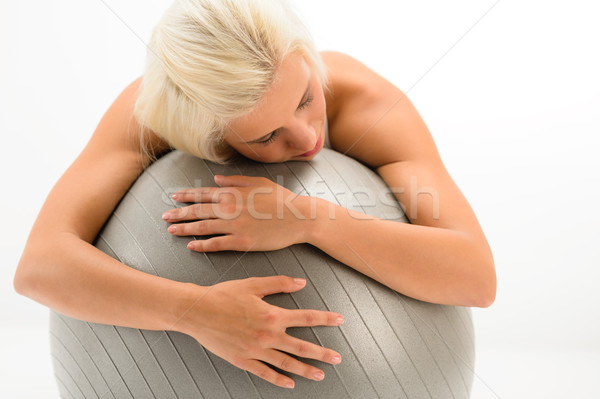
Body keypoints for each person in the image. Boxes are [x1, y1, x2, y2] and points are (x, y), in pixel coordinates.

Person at [14, 0, 496, 390]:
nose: (307, 138)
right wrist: (196, 312)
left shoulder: (369, 104)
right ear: (212, 135)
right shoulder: (155, 115)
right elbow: (40, 267)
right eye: (266, 137)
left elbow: (475, 276)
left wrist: (310, 219)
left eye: (306, 98)